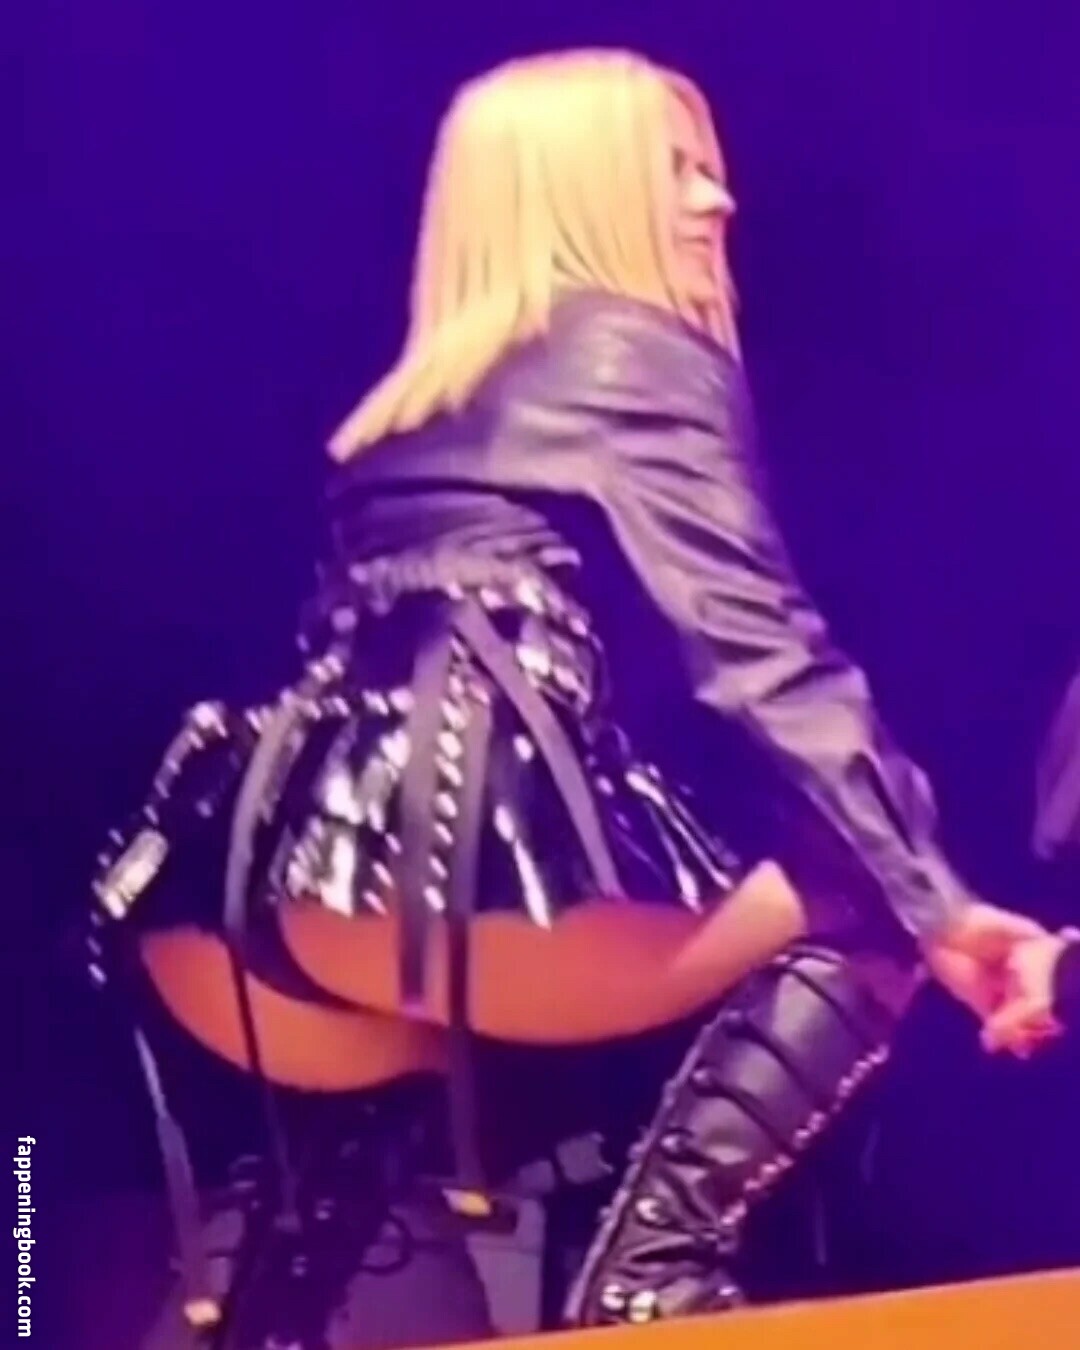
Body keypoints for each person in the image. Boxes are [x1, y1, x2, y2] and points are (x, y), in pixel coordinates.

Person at [93, 48, 1057, 1336]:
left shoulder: (408, 408)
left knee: (467, 1076)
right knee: (862, 877)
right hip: (428, 881)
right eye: (678, 170)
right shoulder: (632, 351)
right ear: (582, 189)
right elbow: (762, 651)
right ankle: (653, 1273)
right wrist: (941, 903)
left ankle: (281, 1309)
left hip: (235, 915)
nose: (719, 199)